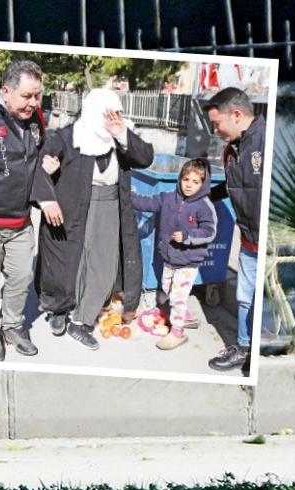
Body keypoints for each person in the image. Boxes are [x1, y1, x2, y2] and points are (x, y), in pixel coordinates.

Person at [35, 88, 155, 350]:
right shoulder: (69, 136)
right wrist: (48, 183)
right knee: (67, 263)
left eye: (118, 113)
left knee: (103, 264)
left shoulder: (121, 134)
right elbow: (39, 165)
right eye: (108, 114)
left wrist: (121, 133)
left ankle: (81, 321)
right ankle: (59, 310)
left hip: (110, 204)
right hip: (72, 207)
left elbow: (146, 157)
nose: (114, 118)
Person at [0, 59, 57, 361]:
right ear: (5, 91)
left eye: (37, 95)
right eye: (27, 96)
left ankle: (13, 326)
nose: (34, 103)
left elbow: (38, 159)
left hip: (21, 222)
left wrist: (48, 164)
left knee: (21, 279)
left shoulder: (36, 119)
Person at [203, 87, 266, 373]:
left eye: (217, 123)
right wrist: (203, 197)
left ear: (237, 115)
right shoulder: (232, 149)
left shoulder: (265, 140)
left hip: (270, 243)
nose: (215, 130)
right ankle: (242, 348)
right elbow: (232, 186)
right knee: (244, 297)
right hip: (249, 242)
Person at [129, 159, 218, 350]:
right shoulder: (168, 198)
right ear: (180, 179)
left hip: (188, 261)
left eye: (195, 182)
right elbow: (147, 202)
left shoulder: (204, 206)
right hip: (169, 258)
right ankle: (184, 316)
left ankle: (178, 333)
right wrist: (127, 195)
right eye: (186, 179)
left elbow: (209, 232)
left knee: (177, 295)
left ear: (203, 184)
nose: (189, 185)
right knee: (167, 287)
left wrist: (187, 237)